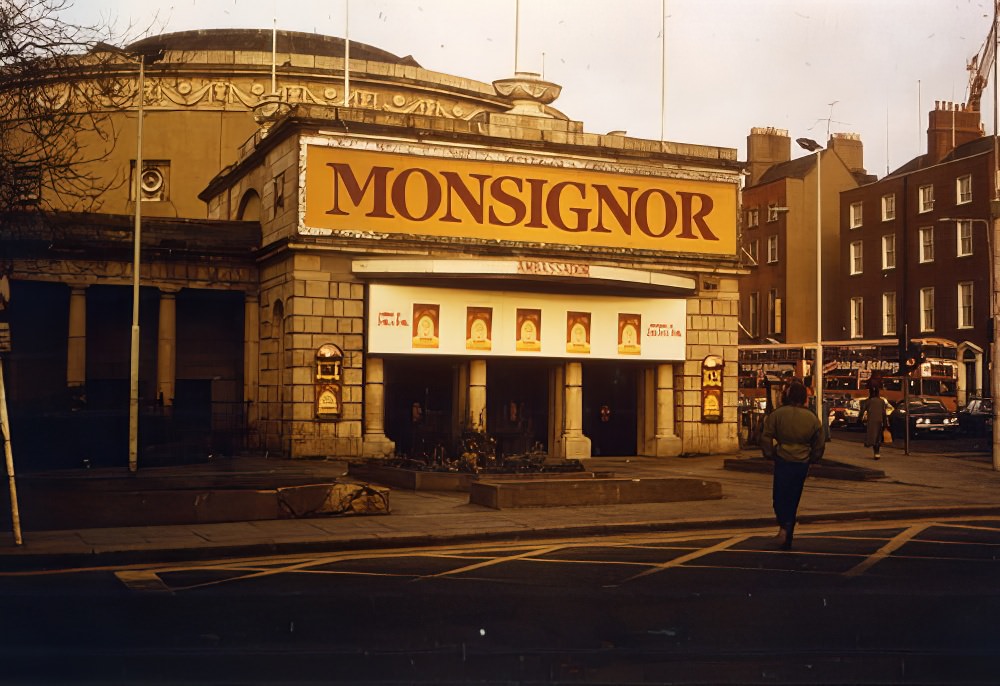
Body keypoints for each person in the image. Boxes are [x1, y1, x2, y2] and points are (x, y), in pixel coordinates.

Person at [759, 380, 825, 550]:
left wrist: (768, 453)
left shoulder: (778, 414)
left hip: (782, 459)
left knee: (779, 497)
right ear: (804, 397)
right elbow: (819, 441)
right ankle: (789, 530)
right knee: (794, 497)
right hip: (802, 462)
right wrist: (814, 457)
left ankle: (784, 526)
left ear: (787, 396)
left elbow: (766, 435)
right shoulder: (811, 418)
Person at [862, 383, 889, 460]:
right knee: (878, 437)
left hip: (871, 421)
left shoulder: (868, 401)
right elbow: (884, 413)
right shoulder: (881, 401)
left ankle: (875, 451)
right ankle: (877, 452)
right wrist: (885, 422)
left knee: (872, 437)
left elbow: (862, 410)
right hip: (879, 421)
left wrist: (860, 418)